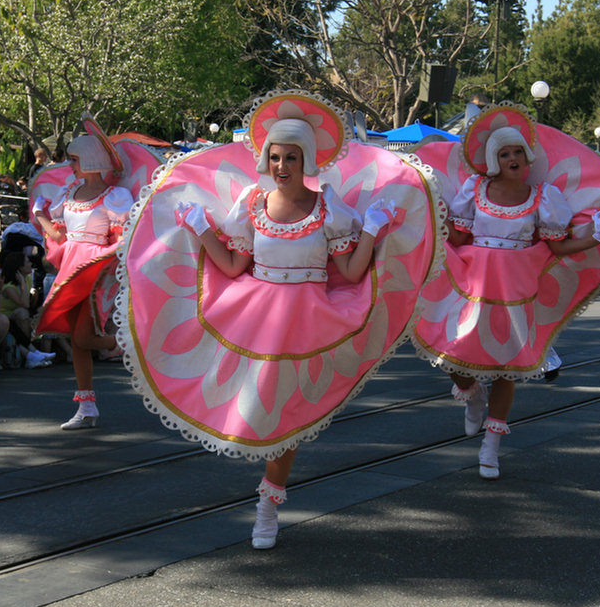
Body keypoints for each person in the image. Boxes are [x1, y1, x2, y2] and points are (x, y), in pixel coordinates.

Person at [118, 91, 439, 549]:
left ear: (307, 159)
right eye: (275, 156)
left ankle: (268, 503)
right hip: (254, 316)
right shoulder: (252, 205)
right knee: (259, 409)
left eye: (291, 156)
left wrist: (370, 231)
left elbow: (349, 272)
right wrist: (201, 228)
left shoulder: (330, 209)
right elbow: (230, 267)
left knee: (287, 414)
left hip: (309, 319)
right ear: (265, 160)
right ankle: (268, 493)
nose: (282, 165)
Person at [412, 104, 600, 481]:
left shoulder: (543, 196)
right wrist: (434, 211)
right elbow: (459, 235)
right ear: (493, 160)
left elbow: (557, 247)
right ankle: (471, 392)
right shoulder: (475, 189)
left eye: (517, 152)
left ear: (527, 158)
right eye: (504, 153)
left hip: (517, 287)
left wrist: (594, 238)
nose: (512, 157)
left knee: (507, 367)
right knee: (451, 354)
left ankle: (492, 444)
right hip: (472, 281)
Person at [33, 130, 131, 429]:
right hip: (71, 268)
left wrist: (104, 262)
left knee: (83, 338)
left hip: (93, 270)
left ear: (90, 159)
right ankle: (87, 406)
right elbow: (60, 236)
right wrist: (40, 215)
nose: (70, 164)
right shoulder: (69, 193)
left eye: (75, 159)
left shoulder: (115, 197)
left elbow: (125, 236)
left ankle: (137, 345)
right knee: (77, 341)